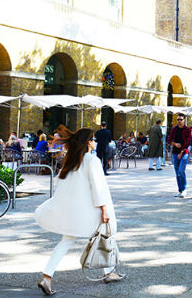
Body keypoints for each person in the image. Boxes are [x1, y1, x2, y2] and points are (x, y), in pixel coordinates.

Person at [34, 126, 124, 295]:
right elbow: (99, 187)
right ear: (88, 142)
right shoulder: (91, 160)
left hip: (74, 211)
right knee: (106, 234)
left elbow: (61, 184)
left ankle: (47, 276)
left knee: (66, 240)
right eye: (93, 139)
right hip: (91, 209)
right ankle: (109, 272)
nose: (95, 142)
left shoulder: (71, 160)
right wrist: (104, 209)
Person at [167, 113, 192, 198]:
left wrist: (181, 152)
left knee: (181, 170)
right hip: (175, 152)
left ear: (184, 120)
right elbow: (169, 140)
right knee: (177, 173)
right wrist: (174, 144)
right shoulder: (174, 129)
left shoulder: (188, 130)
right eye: (178, 120)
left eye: (181, 119)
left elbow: (188, 143)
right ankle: (180, 190)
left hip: (184, 153)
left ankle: (184, 190)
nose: (179, 121)